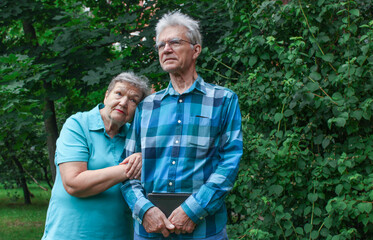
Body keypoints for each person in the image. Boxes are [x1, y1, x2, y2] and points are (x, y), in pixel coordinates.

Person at [120, 11, 243, 240]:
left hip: (205, 231)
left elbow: (229, 163)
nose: (166, 49)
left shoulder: (223, 100)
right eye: (160, 45)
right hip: (150, 232)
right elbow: (127, 171)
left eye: (175, 42)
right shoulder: (145, 108)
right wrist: (145, 211)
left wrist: (193, 210)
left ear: (196, 50)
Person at [42, 72, 151, 240]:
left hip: (120, 235)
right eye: (119, 94)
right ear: (106, 96)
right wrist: (130, 167)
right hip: (69, 234)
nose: (123, 103)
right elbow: (73, 183)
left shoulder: (135, 137)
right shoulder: (78, 125)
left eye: (133, 100)